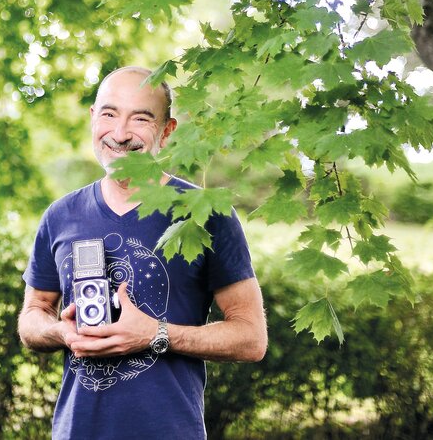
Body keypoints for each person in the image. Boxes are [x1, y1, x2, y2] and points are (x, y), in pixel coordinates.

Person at [18, 66, 267, 439]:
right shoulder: (60, 215)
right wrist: (60, 333)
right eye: (109, 113)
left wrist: (156, 334)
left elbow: (251, 338)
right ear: (92, 118)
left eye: (140, 118)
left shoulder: (206, 213)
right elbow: (32, 315)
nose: (120, 134)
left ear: (168, 131)